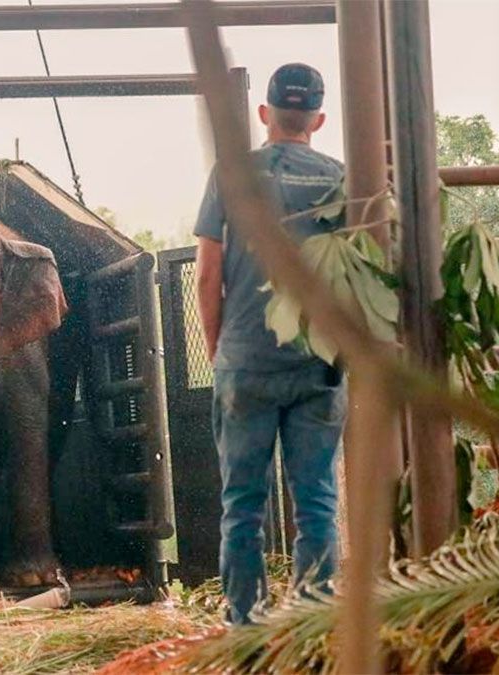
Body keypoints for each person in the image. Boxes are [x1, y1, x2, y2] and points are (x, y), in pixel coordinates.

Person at [193, 63, 346, 625]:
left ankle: (245, 628)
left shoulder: (231, 173)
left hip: (246, 360)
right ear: (319, 120)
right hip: (318, 364)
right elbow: (357, 273)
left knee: (242, 509)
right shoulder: (338, 179)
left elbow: (208, 274)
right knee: (317, 505)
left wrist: (219, 351)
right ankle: (310, 626)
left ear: (265, 114)